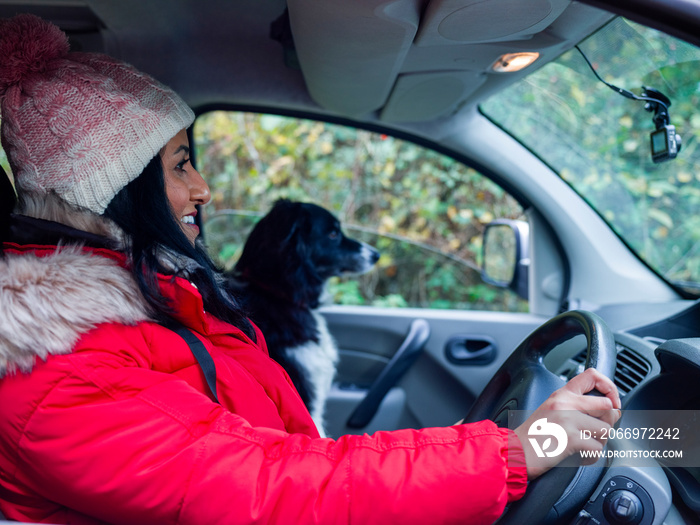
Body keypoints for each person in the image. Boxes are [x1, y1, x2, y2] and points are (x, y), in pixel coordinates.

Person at [0, 13, 620, 525]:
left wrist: (469, 448)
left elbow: (281, 456)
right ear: (118, 190)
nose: (205, 188)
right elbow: (270, 488)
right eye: (182, 164)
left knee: (662, 436)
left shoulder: (158, 305)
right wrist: (517, 450)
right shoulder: (60, 377)